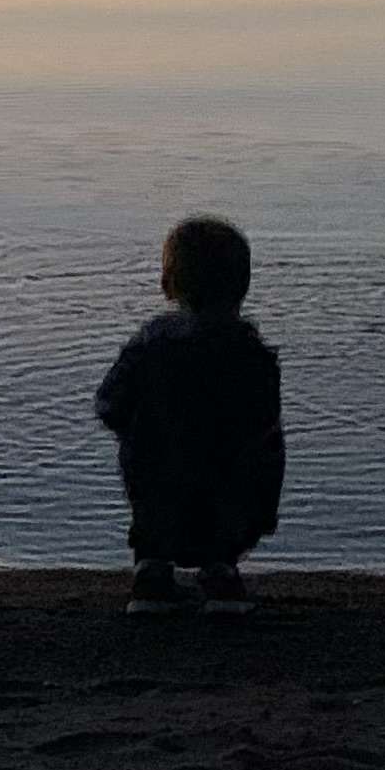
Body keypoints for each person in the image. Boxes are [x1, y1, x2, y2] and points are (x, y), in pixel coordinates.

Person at [94, 215, 286, 616]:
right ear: (243, 285)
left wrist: (140, 432)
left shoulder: (148, 345)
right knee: (255, 456)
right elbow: (265, 416)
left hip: (156, 479)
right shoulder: (250, 351)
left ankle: (150, 572)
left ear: (167, 284)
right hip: (230, 480)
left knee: (149, 473)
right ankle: (221, 572)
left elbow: (109, 404)